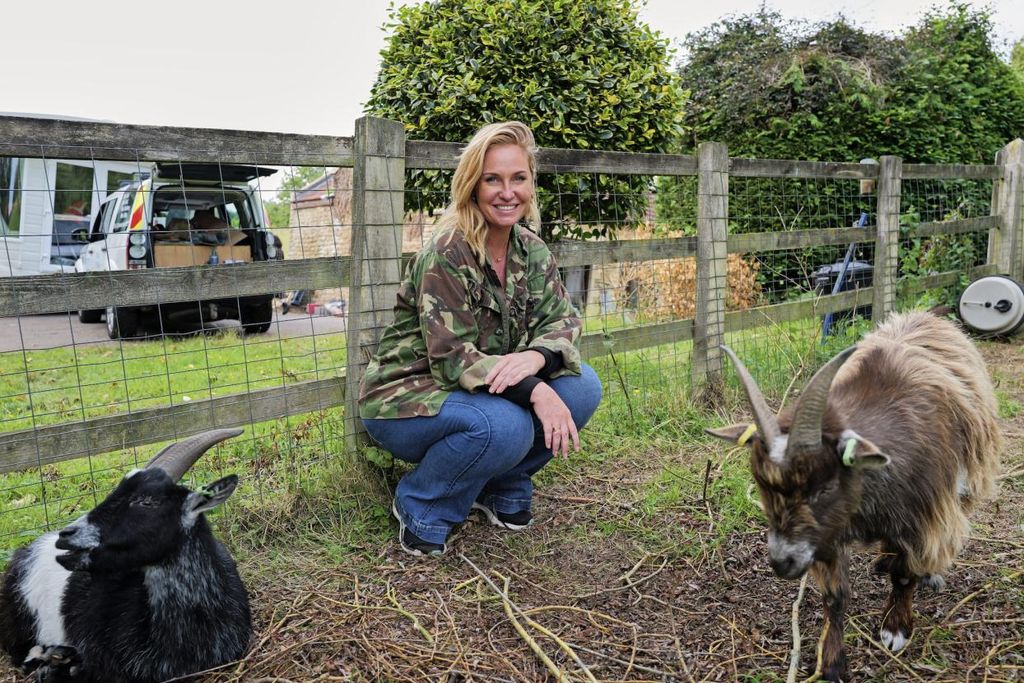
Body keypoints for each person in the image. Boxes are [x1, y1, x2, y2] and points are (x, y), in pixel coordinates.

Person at [359, 121, 602, 557]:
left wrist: (536, 360)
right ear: (472, 185)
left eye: (518, 178)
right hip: (409, 398)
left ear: (531, 184)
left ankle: (499, 485)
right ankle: (421, 504)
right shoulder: (446, 252)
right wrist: (537, 391)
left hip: (487, 390)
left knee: (583, 388)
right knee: (506, 425)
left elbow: (563, 320)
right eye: (493, 179)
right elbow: (453, 359)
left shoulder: (532, 249)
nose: (507, 192)